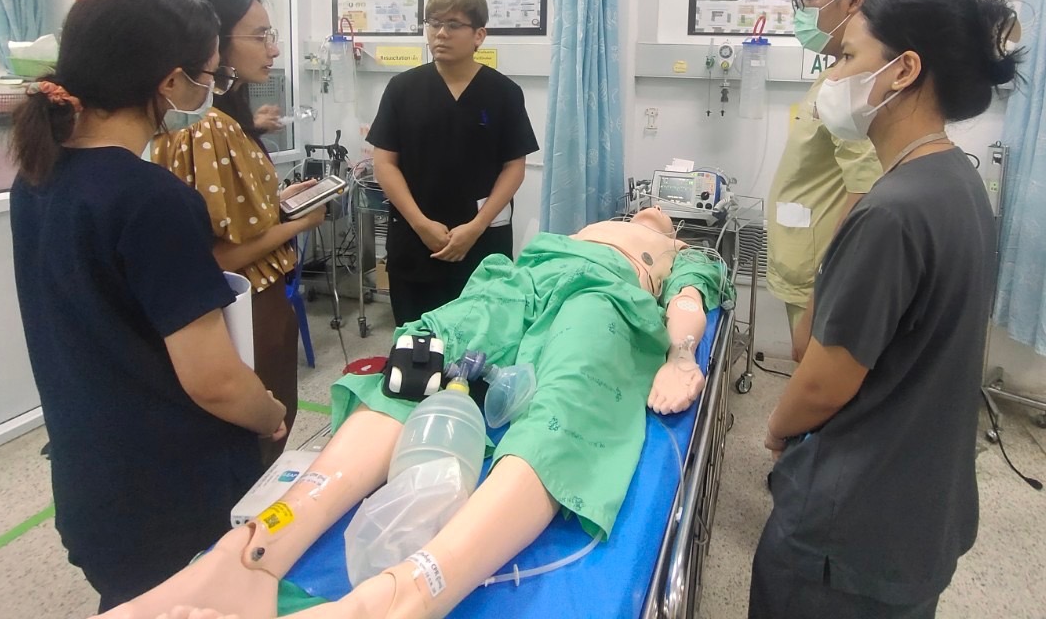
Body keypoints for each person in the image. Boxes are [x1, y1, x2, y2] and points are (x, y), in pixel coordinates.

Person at [92, 208, 732, 619]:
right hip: (522, 281)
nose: (651, 210)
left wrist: (680, 356)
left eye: (661, 213)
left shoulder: (679, 250)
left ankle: (411, 592)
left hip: (608, 296)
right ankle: (249, 554)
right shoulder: (581, 230)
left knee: (571, 396)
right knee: (422, 356)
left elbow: (689, 300)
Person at [7, 0, 288, 609]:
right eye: (209, 75)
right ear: (170, 82)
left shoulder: (39, 176)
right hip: (170, 488)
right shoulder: (150, 200)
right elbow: (214, 380)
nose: (211, 89)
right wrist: (269, 413)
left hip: (92, 476)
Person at [749, 0, 1024, 619]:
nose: (833, 76)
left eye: (848, 56)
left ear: (903, 70)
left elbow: (825, 382)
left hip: (849, 529)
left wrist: (778, 428)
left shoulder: (893, 213)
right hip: (917, 510)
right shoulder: (955, 181)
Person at [151, 0, 323, 463]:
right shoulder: (208, 127)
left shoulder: (219, 120)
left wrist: (277, 201)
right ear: (215, 43)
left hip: (253, 302)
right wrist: (299, 223)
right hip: (242, 306)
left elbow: (229, 216)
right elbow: (219, 255)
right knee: (259, 436)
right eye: (260, 35)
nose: (273, 49)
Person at [368, 0, 538, 326]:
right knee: (417, 341)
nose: (440, 33)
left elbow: (514, 167)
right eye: (433, 23)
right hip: (416, 240)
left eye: (453, 24)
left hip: (482, 240)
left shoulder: (504, 93)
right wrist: (421, 224)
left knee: (481, 340)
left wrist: (475, 227)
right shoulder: (402, 89)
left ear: (479, 35)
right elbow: (384, 164)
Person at [767, 0, 891, 360]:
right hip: (807, 260)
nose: (801, 11)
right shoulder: (838, 74)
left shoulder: (857, 82)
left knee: (816, 376)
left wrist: (827, 284)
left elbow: (865, 190)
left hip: (820, 269)